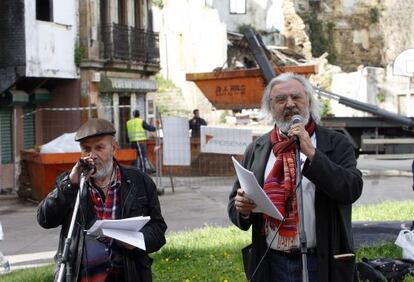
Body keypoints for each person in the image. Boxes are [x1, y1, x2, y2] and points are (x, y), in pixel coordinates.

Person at [228, 73, 363, 282]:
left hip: (321, 261)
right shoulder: (257, 149)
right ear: (270, 107)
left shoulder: (336, 143)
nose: (289, 104)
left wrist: (312, 153)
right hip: (272, 262)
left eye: (296, 97)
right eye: (280, 99)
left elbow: (351, 190)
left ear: (308, 100)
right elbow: (235, 205)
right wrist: (242, 209)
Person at [37, 118, 167, 282]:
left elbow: (158, 230)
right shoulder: (71, 182)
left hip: (129, 275)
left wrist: (138, 240)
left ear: (114, 148)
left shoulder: (140, 182)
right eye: (86, 149)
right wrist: (71, 184)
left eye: (99, 147)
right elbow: (45, 219)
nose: (92, 155)